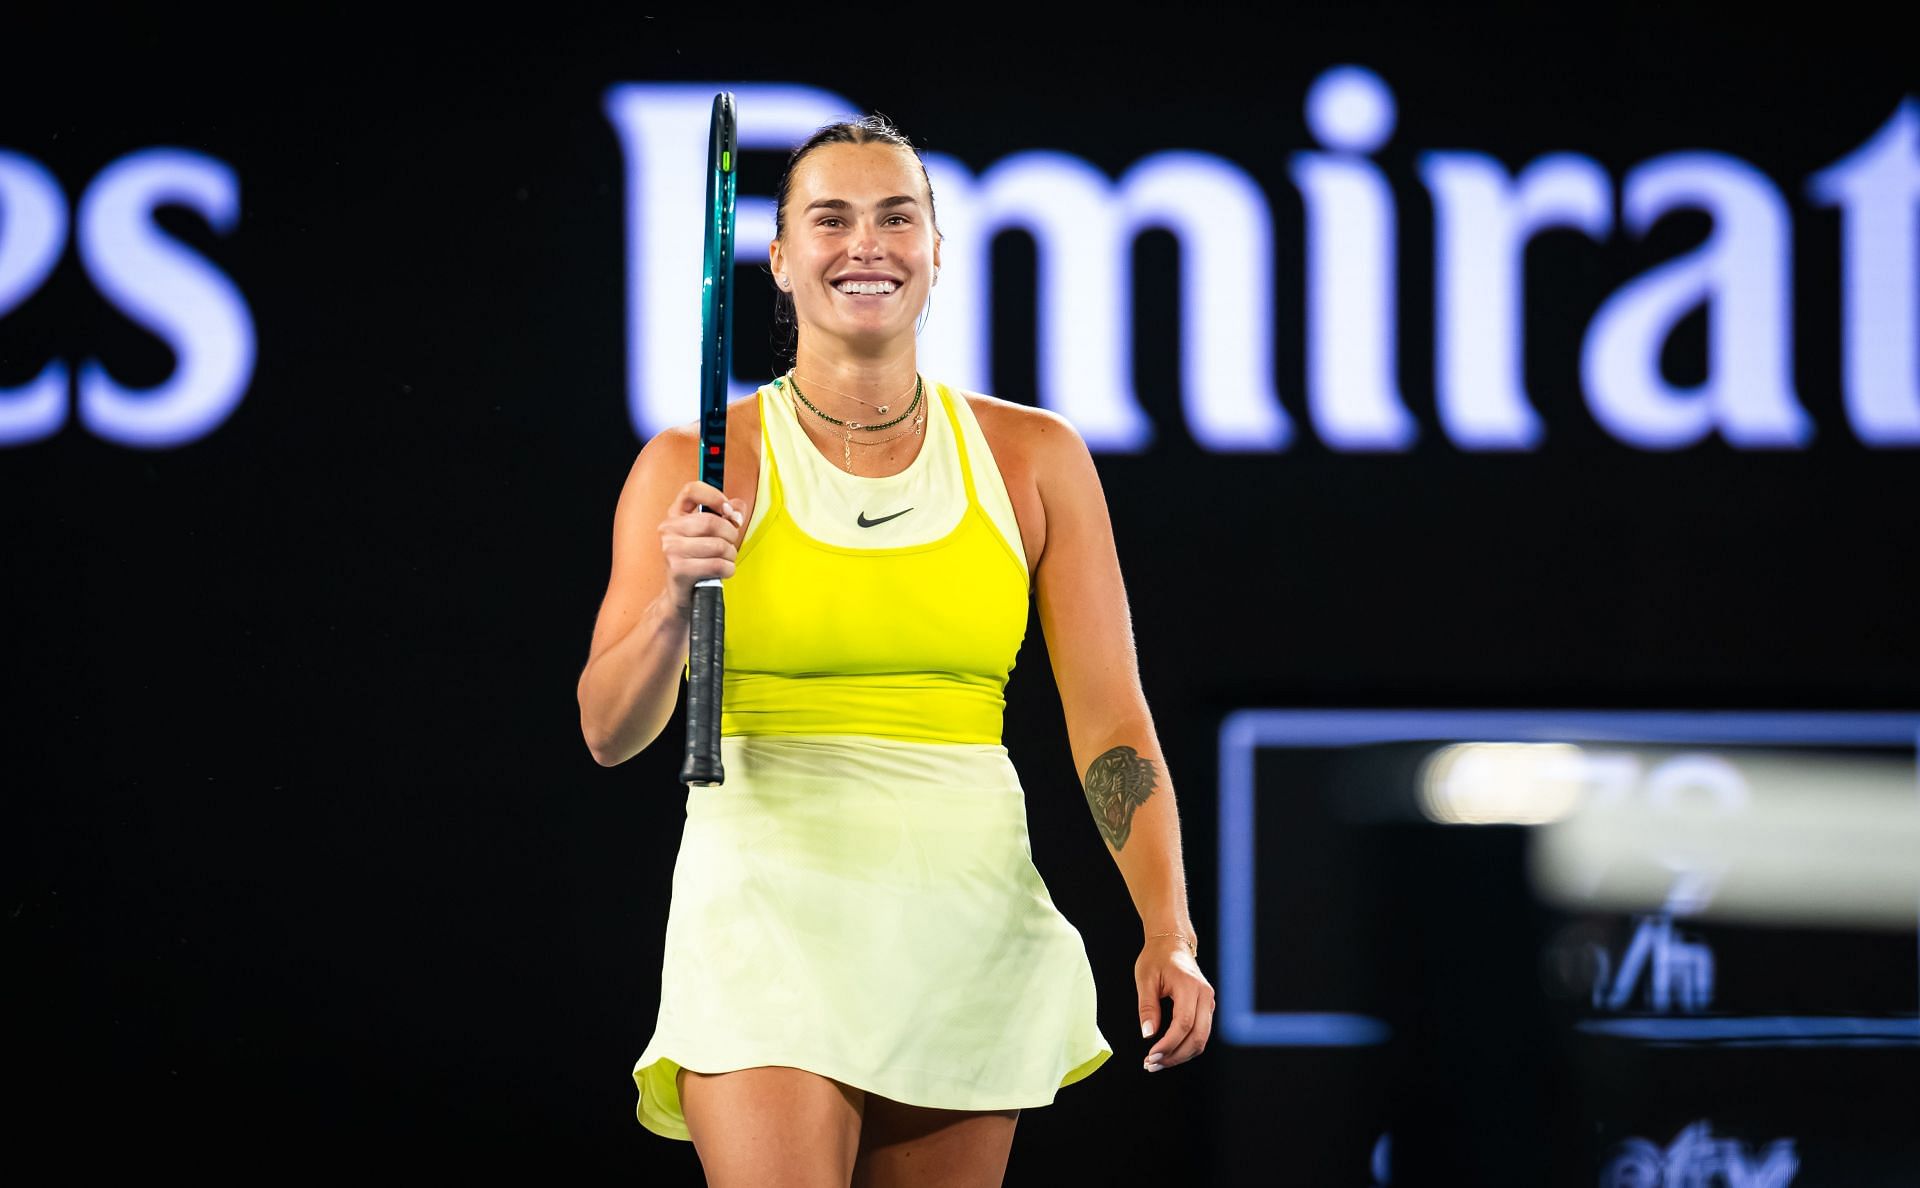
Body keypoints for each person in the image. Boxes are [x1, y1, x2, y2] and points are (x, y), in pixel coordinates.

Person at [577, 114, 1213, 1187]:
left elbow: (1111, 720)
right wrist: (672, 602)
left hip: (964, 926)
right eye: (830, 219)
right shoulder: (695, 462)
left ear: (935, 253)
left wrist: (1169, 925)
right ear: (778, 260)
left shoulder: (1036, 458)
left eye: (896, 218)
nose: (865, 244)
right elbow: (609, 732)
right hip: (763, 919)